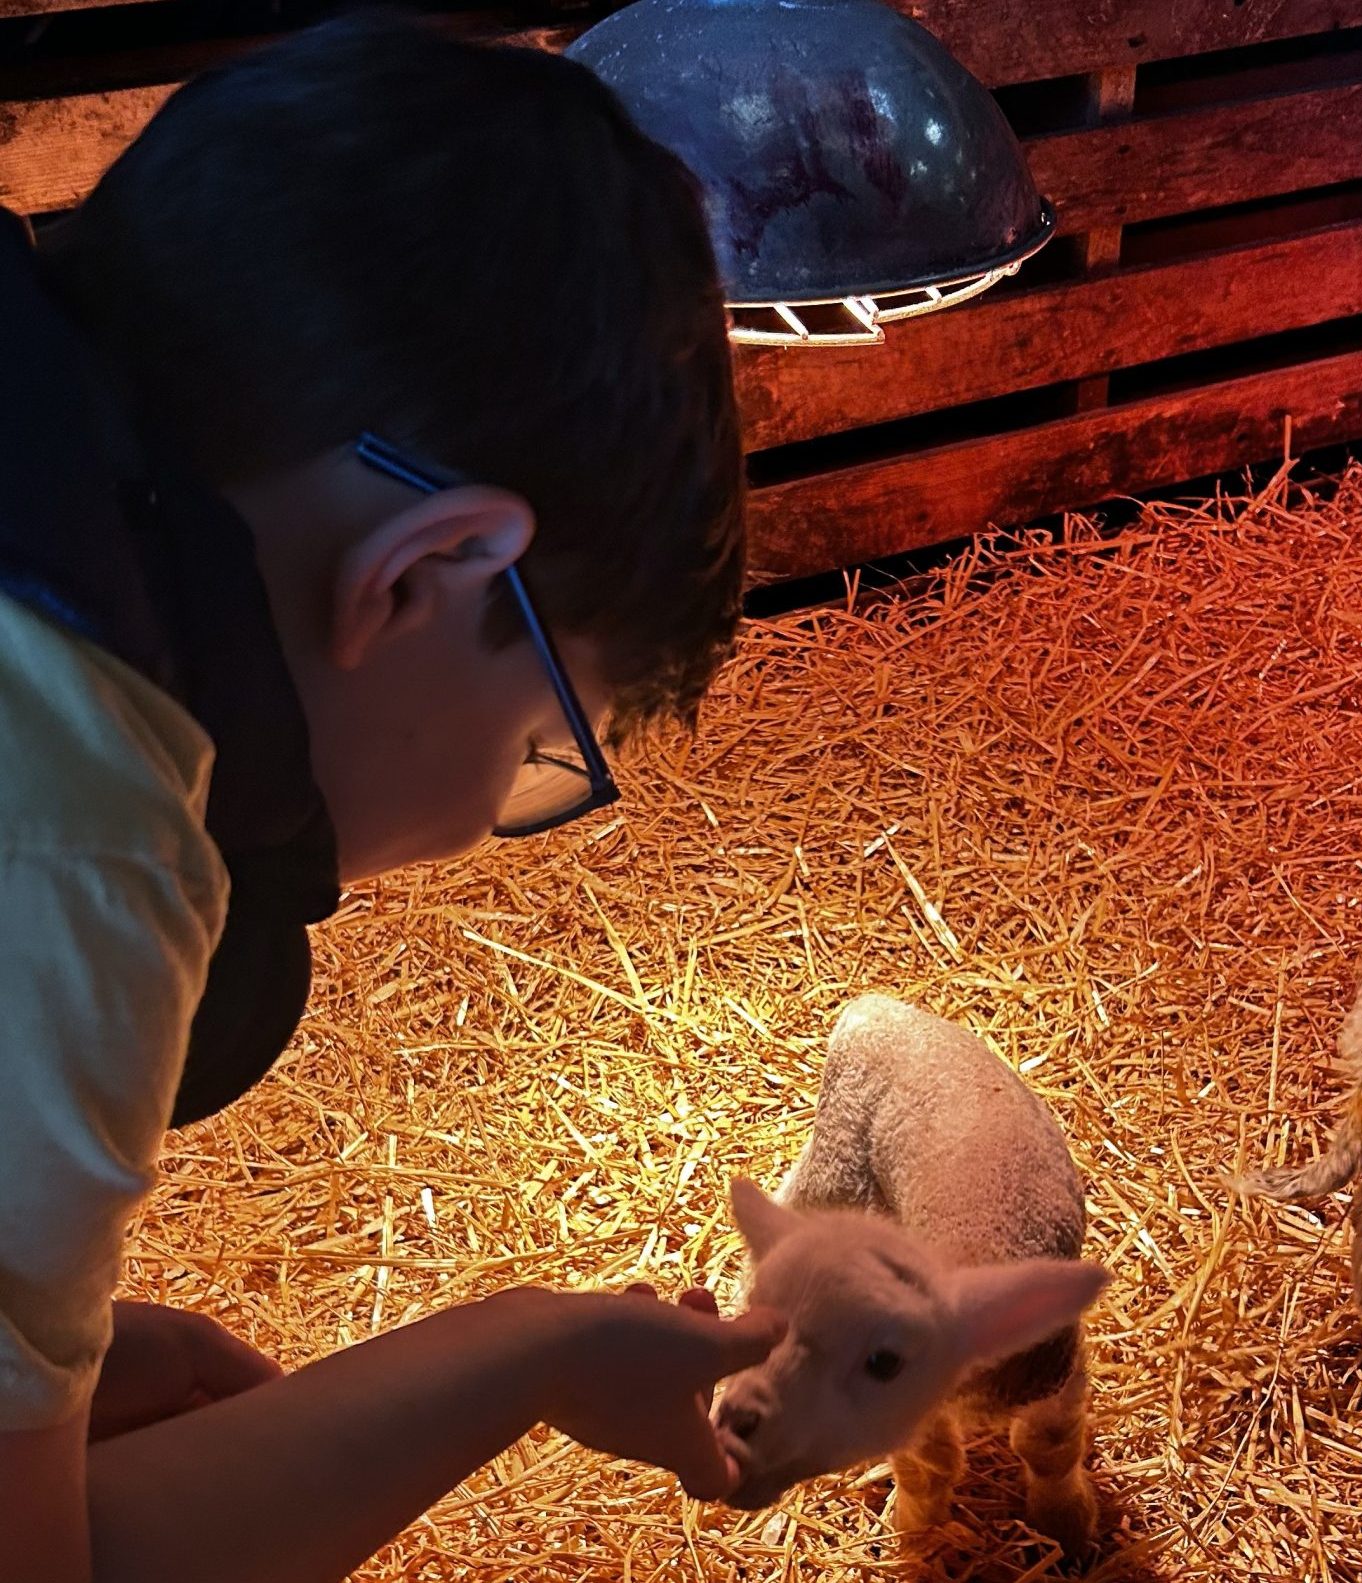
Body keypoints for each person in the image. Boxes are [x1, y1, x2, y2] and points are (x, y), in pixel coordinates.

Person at [0, 12, 784, 1581]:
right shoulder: (86, 824)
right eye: (537, 745)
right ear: (428, 573)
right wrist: (529, 1356)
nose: (493, 802)